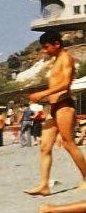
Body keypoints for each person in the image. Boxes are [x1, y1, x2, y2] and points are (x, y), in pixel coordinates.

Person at [25, 30, 86, 195]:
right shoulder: (56, 60)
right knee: (45, 147)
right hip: (54, 109)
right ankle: (44, 185)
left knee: (68, 143)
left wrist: (42, 94)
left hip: (64, 106)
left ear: (57, 44)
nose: (44, 51)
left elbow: (65, 84)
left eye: (46, 47)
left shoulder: (66, 59)